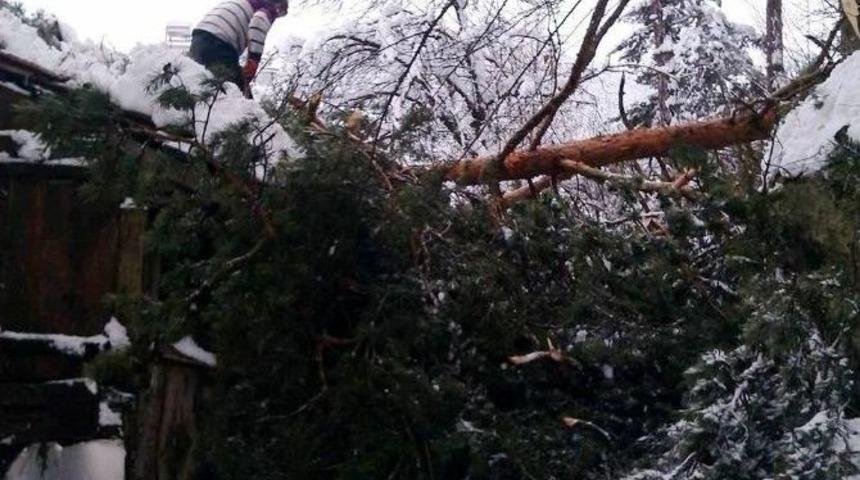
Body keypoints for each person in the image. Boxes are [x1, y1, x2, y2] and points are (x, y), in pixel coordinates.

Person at [189, 0, 288, 93]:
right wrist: (253, 61)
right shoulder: (266, 7)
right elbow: (259, 22)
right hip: (219, 42)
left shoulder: (245, 3)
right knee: (238, 93)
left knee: (206, 88)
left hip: (199, 38)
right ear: (278, 6)